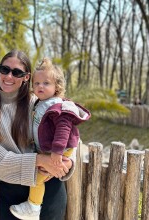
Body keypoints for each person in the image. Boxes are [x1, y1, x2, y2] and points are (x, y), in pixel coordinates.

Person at [0, 50, 76, 220]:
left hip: (50, 187)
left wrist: (67, 162)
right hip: (12, 190)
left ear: (26, 77)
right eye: (4, 69)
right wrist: (40, 160)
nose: (9, 76)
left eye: (17, 72)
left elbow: (70, 133)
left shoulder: (43, 103)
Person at [9, 57, 91, 220]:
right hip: (51, 152)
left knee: (38, 179)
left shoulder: (59, 106)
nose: (40, 86)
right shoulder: (39, 103)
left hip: (61, 151)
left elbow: (64, 130)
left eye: (46, 83)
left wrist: (57, 153)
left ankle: (33, 207)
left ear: (57, 87)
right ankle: (33, 205)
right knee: (39, 175)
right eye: (37, 83)